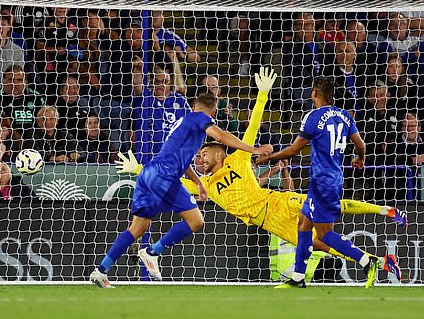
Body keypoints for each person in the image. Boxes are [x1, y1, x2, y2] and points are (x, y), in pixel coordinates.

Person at [116, 68, 405, 282]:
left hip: (278, 200)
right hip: (269, 221)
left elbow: (253, 125)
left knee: (333, 210)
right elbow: (171, 179)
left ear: (220, 150)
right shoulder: (203, 185)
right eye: (200, 154)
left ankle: (384, 210)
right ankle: (377, 262)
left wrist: (263, 94)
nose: (201, 156)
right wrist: (138, 169)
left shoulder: (239, 158)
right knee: (319, 240)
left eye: (206, 151)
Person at [89, 91, 273, 288]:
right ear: (213, 112)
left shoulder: (185, 125)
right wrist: (253, 149)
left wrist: (199, 182)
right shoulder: (199, 118)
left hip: (149, 173)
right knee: (196, 221)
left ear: (193, 105)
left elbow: (183, 163)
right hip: (165, 175)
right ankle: (152, 252)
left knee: (137, 228)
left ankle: (100, 271)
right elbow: (220, 136)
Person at [255, 76, 401, 288]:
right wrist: (360, 158)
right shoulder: (344, 116)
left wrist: (268, 158)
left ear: (315, 92)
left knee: (324, 234)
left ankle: (367, 261)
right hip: (331, 179)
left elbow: (295, 150)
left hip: (322, 182)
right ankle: (298, 277)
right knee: (303, 225)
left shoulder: (313, 116)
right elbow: (360, 145)